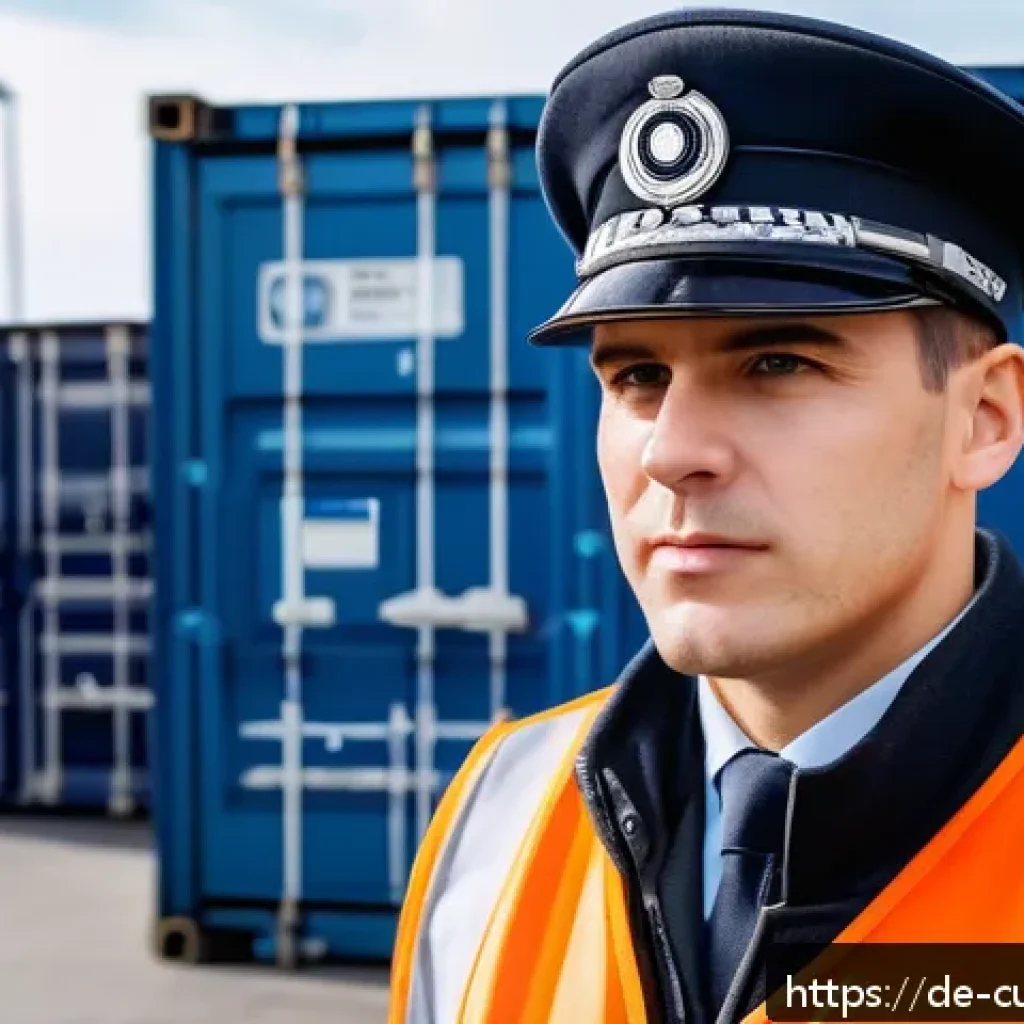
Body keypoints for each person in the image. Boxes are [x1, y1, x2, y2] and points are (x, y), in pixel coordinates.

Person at [388, 9, 1024, 1024]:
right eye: (636, 374)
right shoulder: (499, 807)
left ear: (982, 420)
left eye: (777, 362)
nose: (671, 450)